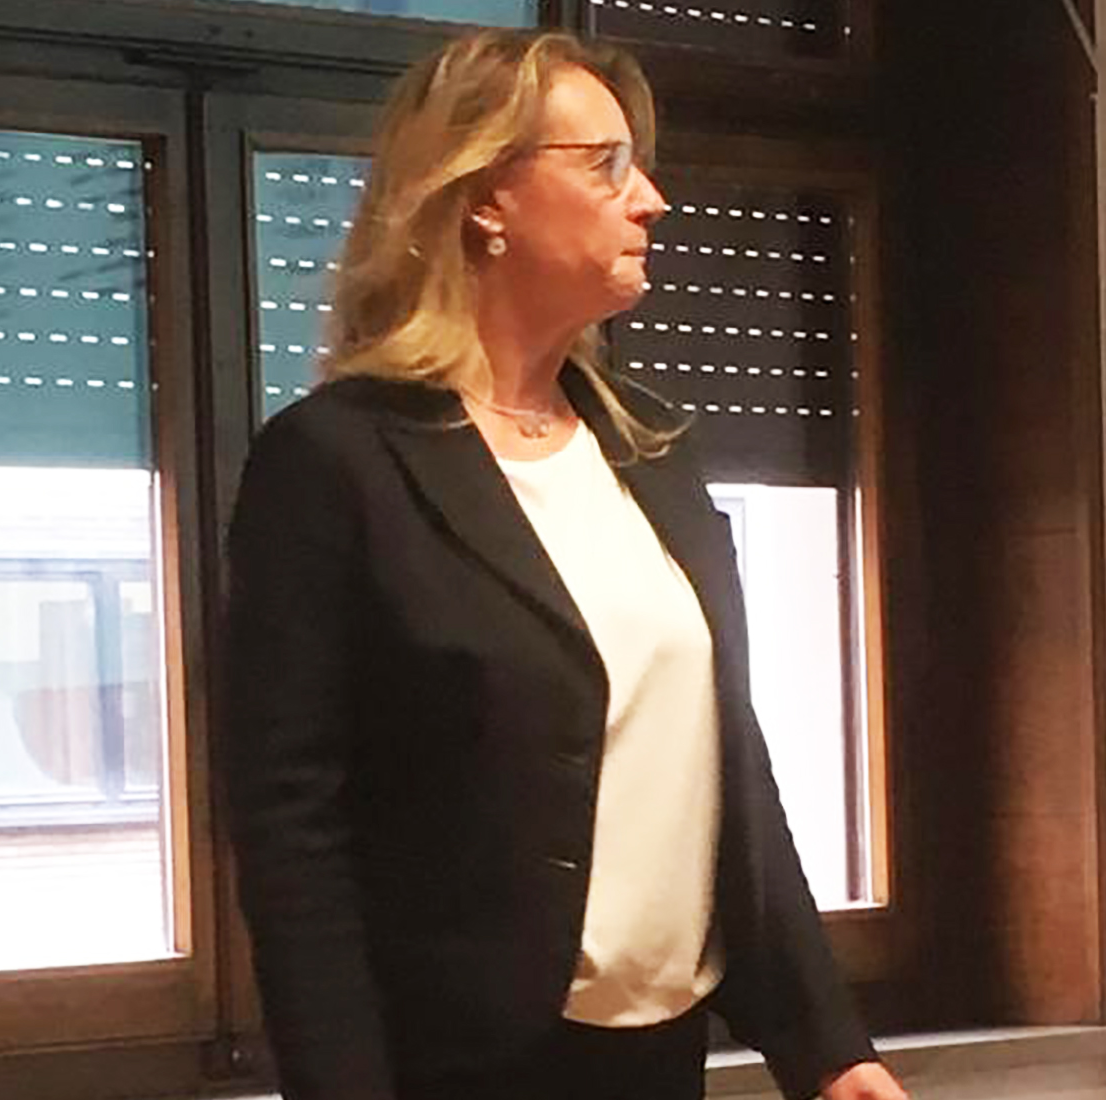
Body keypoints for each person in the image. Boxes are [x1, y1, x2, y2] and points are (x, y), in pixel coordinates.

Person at [222, 28, 909, 1100]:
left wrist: (827, 1047)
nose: (651, 200)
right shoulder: (334, 461)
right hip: (452, 1066)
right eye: (605, 165)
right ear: (484, 196)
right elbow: (290, 832)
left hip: (656, 1056)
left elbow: (726, 768)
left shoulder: (652, 450)